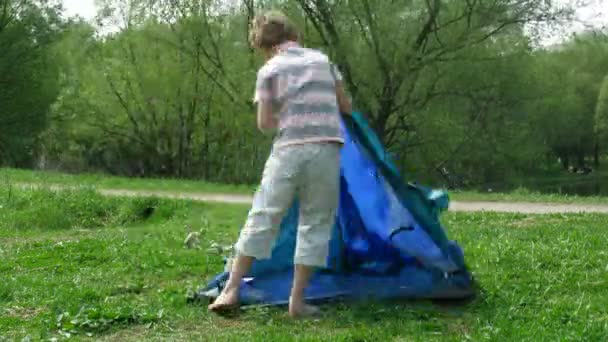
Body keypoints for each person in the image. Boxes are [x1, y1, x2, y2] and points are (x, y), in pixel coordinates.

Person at [208, 10, 352, 318]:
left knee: (263, 215)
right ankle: (297, 302)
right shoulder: (322, 61)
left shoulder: (270, 70)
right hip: (325, 149)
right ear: (294, 35)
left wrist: (285, 114)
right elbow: (346, 106)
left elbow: (265, 124)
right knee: (314, 222)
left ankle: (231, 289)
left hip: (288, 150)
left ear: (264, 46)